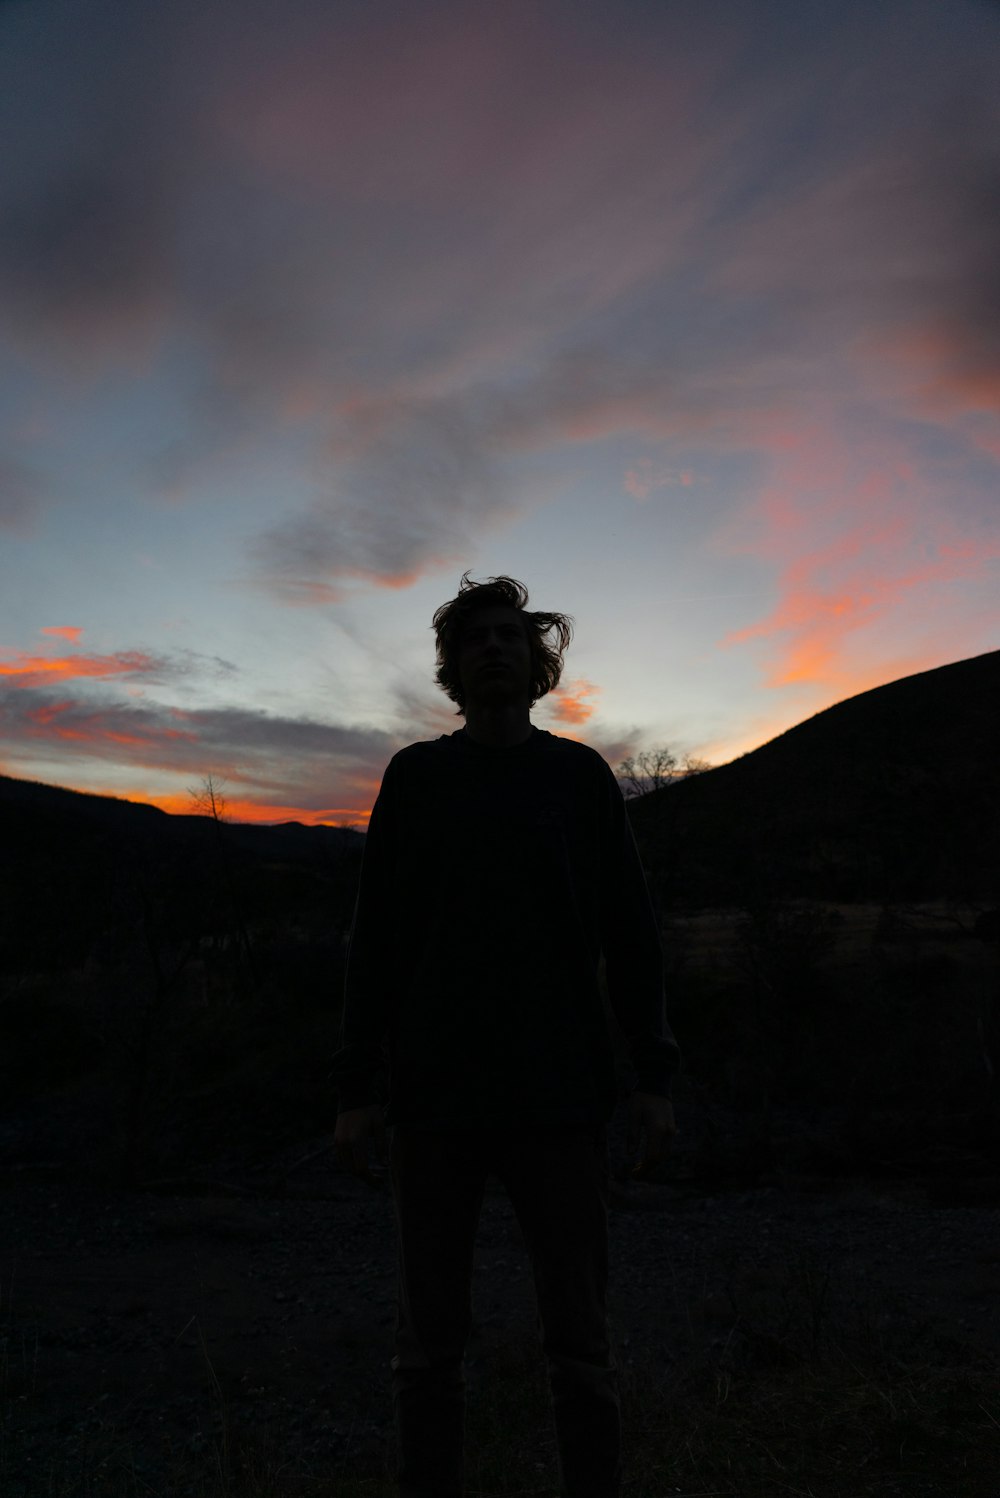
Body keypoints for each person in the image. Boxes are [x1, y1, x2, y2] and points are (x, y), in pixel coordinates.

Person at [331, 573, 679, 1498]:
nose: (494, 648)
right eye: (475, 637)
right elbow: (378, 939)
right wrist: (356, 1088)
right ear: (450, 666)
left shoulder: (578, 779)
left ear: (538, 665)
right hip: (433, 1098)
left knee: (579, 1341)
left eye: (510, 638)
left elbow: (630, 933)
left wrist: (653, 1075)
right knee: (427, 1349)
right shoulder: (417, 777)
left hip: (560, 1095)